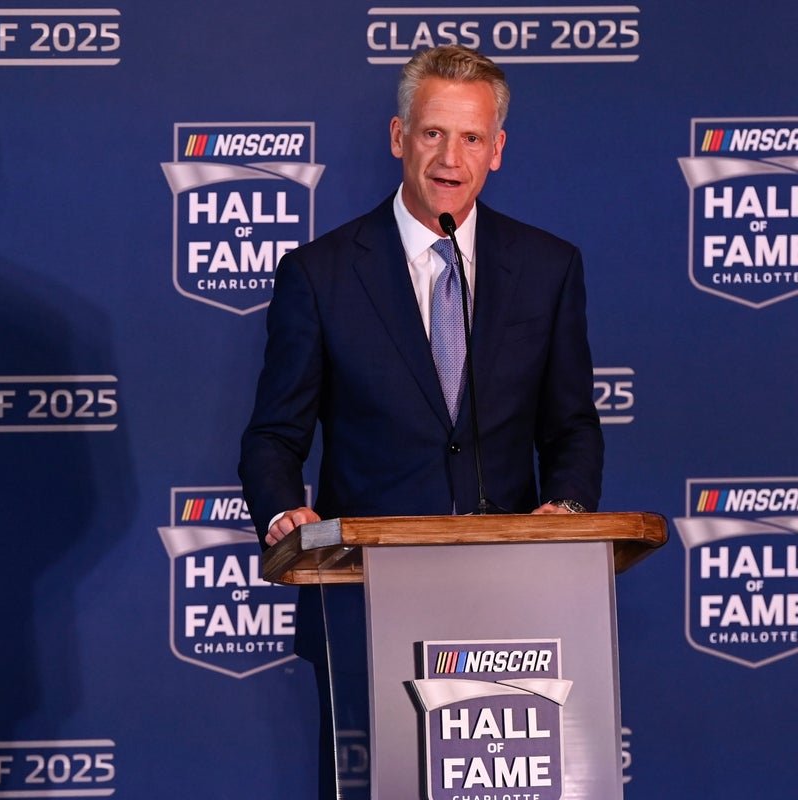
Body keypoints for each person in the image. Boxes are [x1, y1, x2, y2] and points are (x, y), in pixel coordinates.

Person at [238, 45, 603, 797]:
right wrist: (281, 512)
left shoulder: (548, 267)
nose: (449, 158)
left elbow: (572, 425)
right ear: (398, 136)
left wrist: (565, 511)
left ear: (497, 150)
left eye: (471, 138)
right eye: (433, 133)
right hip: (365, 601)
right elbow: (274, 436)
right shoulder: (321, 273)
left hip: (515, 600)